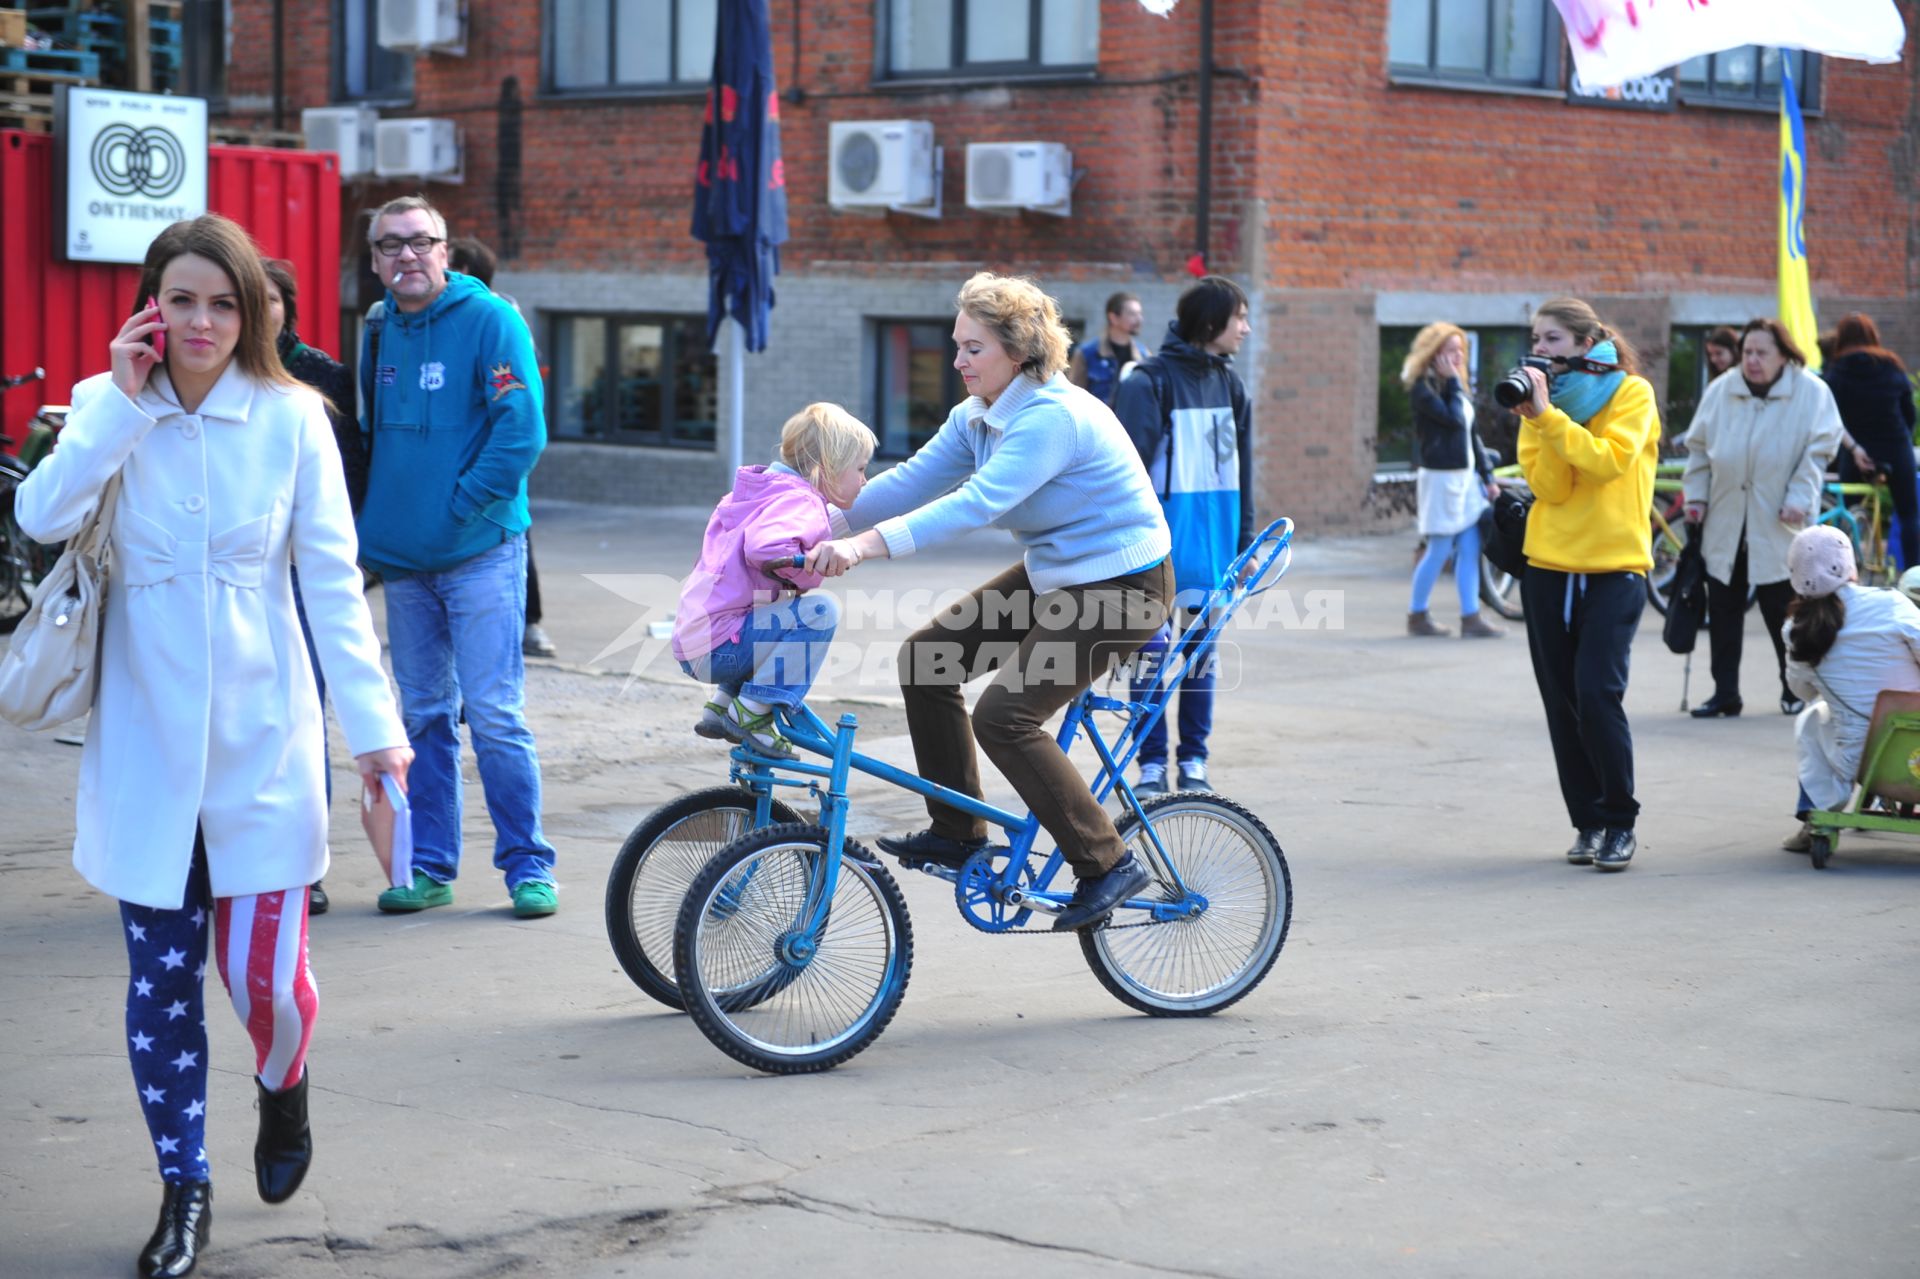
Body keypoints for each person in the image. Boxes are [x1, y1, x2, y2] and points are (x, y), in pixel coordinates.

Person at [15, 214, 410, 1279]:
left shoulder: (290, 419)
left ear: (252, 314)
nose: (200, 321)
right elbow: (42, 516)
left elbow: (330, 583)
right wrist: (119, 407)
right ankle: (183, 1186)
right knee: (161, 984)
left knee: (265, 980)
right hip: (143, 746)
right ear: (151, 303)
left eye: (221, 303)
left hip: (261, 741)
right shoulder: (108, 409)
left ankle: (284, 1085)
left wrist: (374, 732)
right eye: (181, 299)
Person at [804, 272, 1173, 932]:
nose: (957, 361)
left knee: (1005, 715)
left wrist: (863, 550)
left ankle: (1107, 860)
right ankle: (959, 829)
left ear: (1020, 348)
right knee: (928, 659)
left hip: (1124, 586)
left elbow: (977, 504)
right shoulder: (976, 415)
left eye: (973, 348)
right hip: (1057, 573)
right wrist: (802, 527)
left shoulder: (1051, 418)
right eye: (957, 345)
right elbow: (911, 483)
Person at [356, 195, 560, 919]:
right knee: (422, 718)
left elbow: (522, 431)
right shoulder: (378, 329)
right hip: (404, 564)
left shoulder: (491, 320)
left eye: (420, 242)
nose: (405, 256)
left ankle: (529, 866)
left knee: (496, 714)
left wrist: (460, 504)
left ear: (446, 251)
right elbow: (371, 438)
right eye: (390, 246)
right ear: (375, 259)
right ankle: (429, 866)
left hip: (480, 551)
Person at [1513, 297, 1661, 872]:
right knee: (1563, 703)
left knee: (1598, 695)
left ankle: (1619, 820)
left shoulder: (1632, 394)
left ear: (1584, 341)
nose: (1540, 350)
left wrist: (1548, 419)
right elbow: (1550, 488)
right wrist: (1537, 417)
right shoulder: (1535, 403)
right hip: (1548, 565)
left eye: (1551, 339)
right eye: (1537, 339)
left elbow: (1607, 463)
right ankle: (1588, 823)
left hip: (1615, 565)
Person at [1110, 274, 1255, 794]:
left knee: (1201, 658)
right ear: (1213, 322)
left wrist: (1246, 544)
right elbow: (1121, 478)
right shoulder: (1147, 382)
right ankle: (1150, 763)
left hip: (1213, 544)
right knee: (1150, 654)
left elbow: (1244, 471)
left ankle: (1193, 761)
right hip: (1153, 552)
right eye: (1240, 317)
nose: (1247, 328)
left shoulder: (1231, 384)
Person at [672, 403, 874, 755]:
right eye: (859, 468)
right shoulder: (801, 501)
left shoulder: (754, 495)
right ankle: (752, 710)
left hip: (696, 642)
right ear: (825, 469)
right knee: (819, 612)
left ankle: (722, 703)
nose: (864, 480)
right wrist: (810, 564)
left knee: (767, 604)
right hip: (722, 648)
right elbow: (766, 548)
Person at [264, 257, 363, 918]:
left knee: (303, 717)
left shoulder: (322, 379)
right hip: (237, 577)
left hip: (303, 573)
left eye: (266, 298)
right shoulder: (211, 379)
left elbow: (348, 478)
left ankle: (306, 864)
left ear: (286, 306)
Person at [1681, 318, 1844, 718]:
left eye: (1761, 353)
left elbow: (1819, 451)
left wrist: (1800, 497)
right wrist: (1696, 498)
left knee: (1782, 610)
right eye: (1747, 352)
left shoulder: (1811, 392)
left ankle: (1793, 689)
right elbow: (1699, 450)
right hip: (1726, 515)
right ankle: (1725, 693)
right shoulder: (1721, 390)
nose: (1752, 361)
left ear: (1784, 355)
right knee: (1722, 606)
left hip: (1780, 519)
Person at [447, 235, 557, 659]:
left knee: (510, 529)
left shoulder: (500, 318)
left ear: (467, 272)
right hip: (459, 454)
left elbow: (517, 399)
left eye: (448, 263)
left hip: (493, 451)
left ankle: (527, 624)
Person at [1779, 525, 1920, 850]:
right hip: (1912, 744)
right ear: (1849, 563)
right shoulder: (1892, 604)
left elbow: (1802, 691)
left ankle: (1816, 816)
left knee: (1812, 716)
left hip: (1861, 763)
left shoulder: (1796, 630)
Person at [1399, 321, 1502, 639]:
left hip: (1466, 481)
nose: (1457, 357)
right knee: (1440, 548)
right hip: (1441, 482)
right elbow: (1454, 420)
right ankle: (1417, 615)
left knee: (1470, 547)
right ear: (1433, 354)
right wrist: (1454, 384)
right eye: (1449, 351)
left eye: (1460, 350)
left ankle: (1471, 617)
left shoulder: (1457, 388)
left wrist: (1488, 477)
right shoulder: (1422, 389)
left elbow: (1473, 438)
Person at [1823, 313, 1918, 572]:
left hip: (1855, 452)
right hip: (1895, 448)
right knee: (1909, 515)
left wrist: (1851, 448)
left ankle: (1843, 572)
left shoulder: (1837, 371)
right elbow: (1909, 413)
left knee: (1847, 512)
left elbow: (1829, 416)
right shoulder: (1891, 365)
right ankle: (1914, 577)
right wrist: (1903, 439)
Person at [1066, 290, 1150, 404]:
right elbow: (1073, 398)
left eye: (1139, 314)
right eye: (1132, 314)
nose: (1139, 319)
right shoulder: (1087, 354)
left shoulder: (1143, 355)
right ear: (1113, 318)